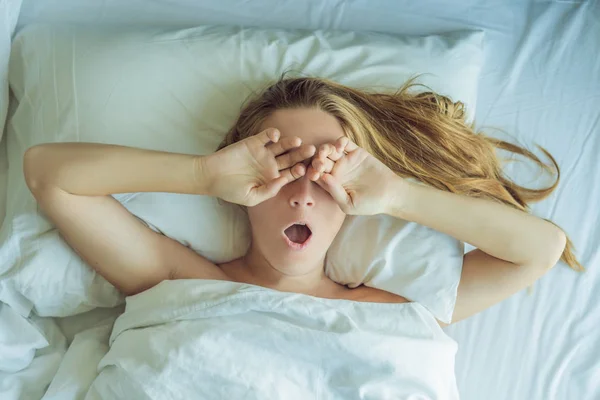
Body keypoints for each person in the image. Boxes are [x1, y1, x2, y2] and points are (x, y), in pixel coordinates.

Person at [22, 77, 582, 330]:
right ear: (242, 192)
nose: (302, 193)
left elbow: (539, 249)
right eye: (284, 169)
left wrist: (398, 196)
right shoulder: (181, 282)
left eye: (326, 173)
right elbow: (48, 175)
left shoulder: (397, 312)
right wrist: (202, 175)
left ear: (353, 198)